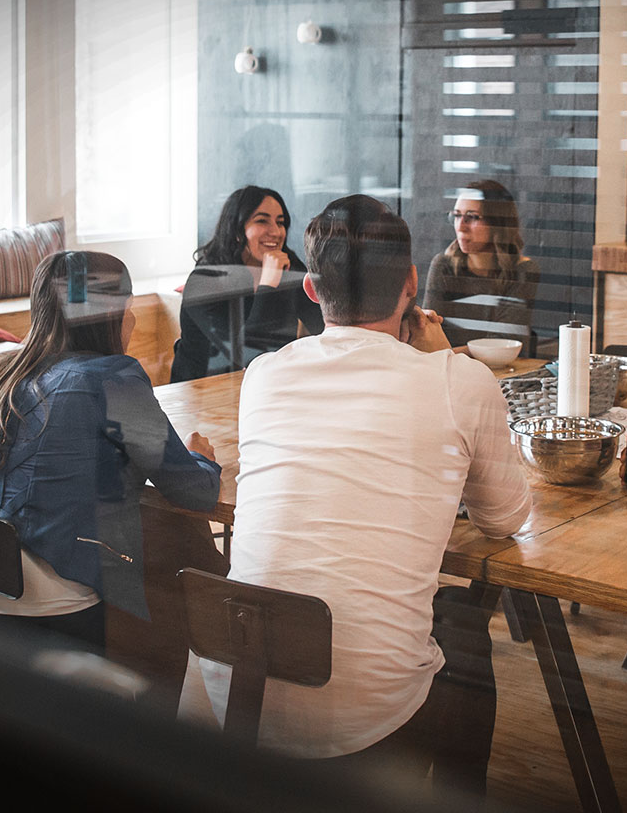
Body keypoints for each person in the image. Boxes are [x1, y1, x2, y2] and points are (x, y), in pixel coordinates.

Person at [201, 194, 533, 798]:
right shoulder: (460, 381)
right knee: (462, 629)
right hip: (364, 726)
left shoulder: (264, 375)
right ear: (412, 283)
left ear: (310, 289)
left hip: (233, 697)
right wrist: (444, 362)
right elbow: (505, 518)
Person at [0, 251, 222, 657]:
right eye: (130, 308)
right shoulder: (111, 379)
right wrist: (201, 456)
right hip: (56, 606)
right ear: (112, 314)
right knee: (174, 557)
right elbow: (195, 493)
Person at [172, 186, 324, 381]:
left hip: (268, 384)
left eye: (281, 222)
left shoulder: (289, 266)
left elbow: (324, 325)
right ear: (236, 230)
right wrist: (269, 285)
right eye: (262, 221)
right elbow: (249, 356)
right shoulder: (204, 281)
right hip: (202, 392)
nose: (276, 232)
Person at [422, 179, 539, 348]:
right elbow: (428, 332)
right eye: (456, 216)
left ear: (497, 224)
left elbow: (503, 343)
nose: (461, 226)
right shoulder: (444, 265)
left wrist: (446, 354)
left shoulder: (523, 271)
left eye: (472, 217)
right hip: (449, 368)